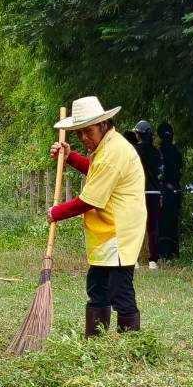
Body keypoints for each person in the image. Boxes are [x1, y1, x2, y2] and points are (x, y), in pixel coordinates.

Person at [47, 96, 147, 336]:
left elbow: (89, 200)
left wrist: (56, 212)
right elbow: (95, 171)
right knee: (97, 286)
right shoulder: (106, 146)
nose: (84, 138)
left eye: (88, 131)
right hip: (107, 229)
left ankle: (131, 344)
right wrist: (70, 156)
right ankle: (95, 339)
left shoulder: (114, 151)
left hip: (119, 230)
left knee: (119, 290)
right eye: (79, 133)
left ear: (103, 124)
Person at [133, 121, 163, 270]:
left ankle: (134, 260)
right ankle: (153, 261)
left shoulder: (134, 150)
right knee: (153, 227)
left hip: (138, 192)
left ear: (138, 134)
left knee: (136, 226)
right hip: (155, 193)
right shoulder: (157, 152)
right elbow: (161, 174)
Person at [157, 122, 183, 260]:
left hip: (164, 192)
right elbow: (179, 171)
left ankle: (164, 253)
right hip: (176, 191)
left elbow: (159, 174)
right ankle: (174, 252)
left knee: (163, 223)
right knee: (173, 222)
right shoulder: (176, 152)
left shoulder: (159, 152)